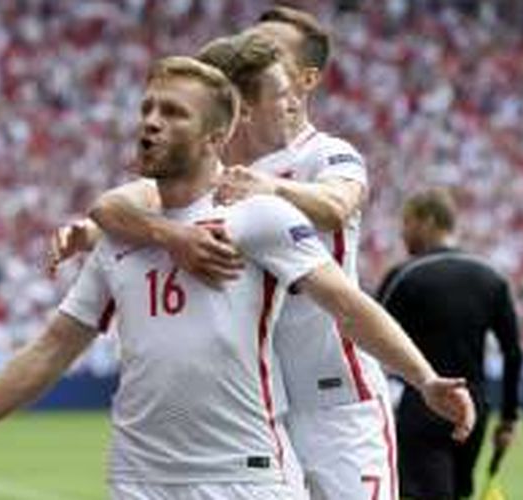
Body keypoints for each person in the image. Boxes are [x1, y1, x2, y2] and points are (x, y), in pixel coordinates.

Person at [0, 56, 474, 500]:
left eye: (172, 113)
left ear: (217, 138)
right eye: (147, 108)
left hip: (245, 475)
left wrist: (423, 379)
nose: (150, 123)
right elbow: (51, 349)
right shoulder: (121, 233)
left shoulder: (259, 217)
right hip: (139, 477)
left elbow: (347, 305)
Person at [59, 8, 407, 498]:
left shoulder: (326, 153)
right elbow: (118, 203)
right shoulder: (214, 166)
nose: (256, 53)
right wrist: (97, 232)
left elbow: (336, 205)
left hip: (337, 396)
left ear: (301, 80)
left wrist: (268, 188)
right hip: (265, 406)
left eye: (273, 50)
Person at [376, 188, 523, 500]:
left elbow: (368, 338)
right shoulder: (491, 277)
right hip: (473, 410)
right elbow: (513, 352)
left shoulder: (406, 275)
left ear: (428, 221)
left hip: (421, 406)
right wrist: (509, 419)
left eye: (408, 222)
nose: (403, 232)